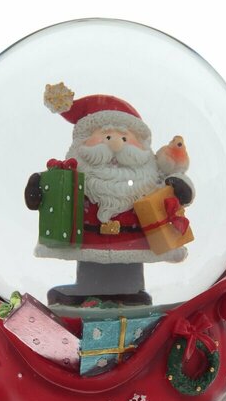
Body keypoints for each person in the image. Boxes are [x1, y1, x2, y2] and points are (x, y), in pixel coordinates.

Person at [25, 83, 194, 305]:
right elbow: (55, 186)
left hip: (135, 244)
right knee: (90, 269)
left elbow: (174, 188)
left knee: (129, 278)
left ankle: (131, 297)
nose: (115, 145)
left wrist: (180, 188)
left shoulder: (151, 177)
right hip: (88, 241)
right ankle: (85, 295)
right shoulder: (74, 173)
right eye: (105, 136)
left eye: (124, 138)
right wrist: (37, 187)